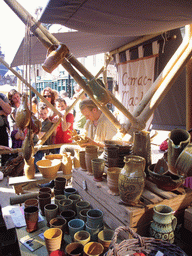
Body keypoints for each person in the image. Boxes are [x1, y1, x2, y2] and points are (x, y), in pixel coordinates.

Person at [33, 102, 54, 172]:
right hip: (38, 148)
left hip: (42, 149)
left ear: (47, 112)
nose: (43, 115)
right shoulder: (40, 121)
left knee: (38, 168)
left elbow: (40, 136)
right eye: (41, 114)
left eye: (45, 113)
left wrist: (34, 129)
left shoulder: (47, 123)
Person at [0, 93, 12, 166]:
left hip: (2, 130)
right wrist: (1, 112)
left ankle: (4, 173)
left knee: (5, 154)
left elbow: (8, 110)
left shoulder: (2, 96)